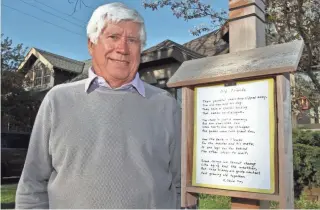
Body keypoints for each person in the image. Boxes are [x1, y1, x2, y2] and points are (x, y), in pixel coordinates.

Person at [15, 2, 181, 209]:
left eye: (132, 40)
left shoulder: (165, 105)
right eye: (113, 37)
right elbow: (32, 186)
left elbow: (181, 186)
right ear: (91, 44)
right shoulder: (57, 101)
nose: (122, 48)